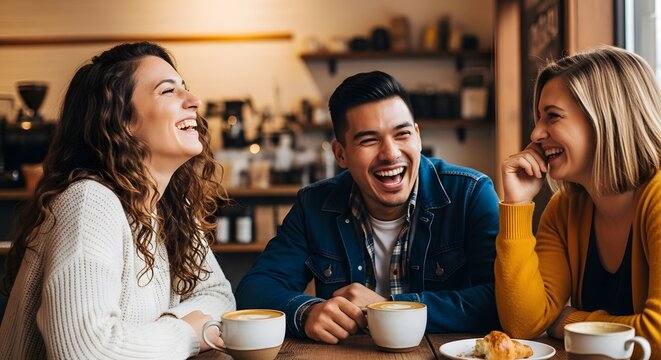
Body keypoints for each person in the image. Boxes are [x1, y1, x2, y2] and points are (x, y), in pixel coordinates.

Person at [0, 42, 236, 359]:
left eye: (186, 89)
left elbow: (219, 294)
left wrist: (173, 324)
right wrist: (189, 333)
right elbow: (84, 351)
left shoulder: (170, 206)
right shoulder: (89, 201)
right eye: (168, 92)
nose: (195, 101)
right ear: (121, 120)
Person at [236, 71, 500, 344]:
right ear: (340, 153)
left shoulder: (471, 193)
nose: (390, 154)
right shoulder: (314, 205)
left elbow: (501, 299)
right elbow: (254, 290)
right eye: (369, 140)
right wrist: (306, 312)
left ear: (418, 137)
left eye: (402, 134)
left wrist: (391, 308)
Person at [496, 46, 661, 353]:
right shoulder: (565, 208)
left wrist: (568, 322)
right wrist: (516, 205)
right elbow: (524, 324)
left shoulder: (657, 199)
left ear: (606, 118)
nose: (535, 134)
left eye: (552, 117)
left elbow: (658, 334)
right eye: (538, 118)